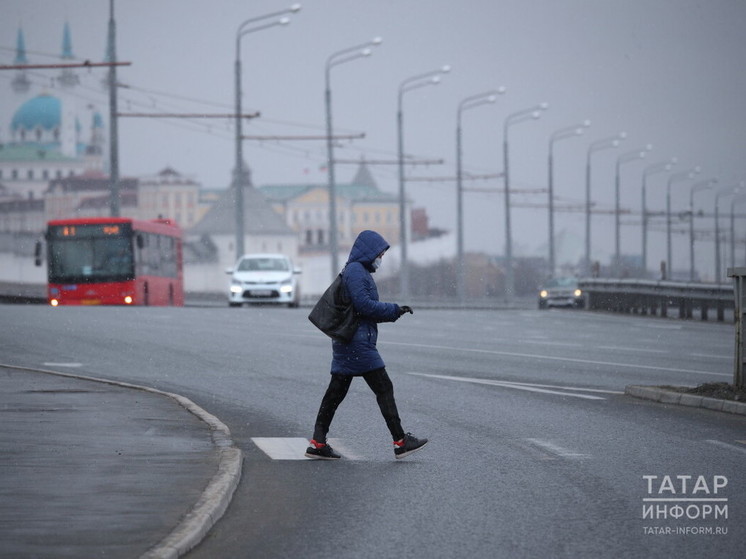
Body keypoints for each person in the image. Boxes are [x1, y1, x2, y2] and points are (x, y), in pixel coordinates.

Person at [305, 230, 428, 460]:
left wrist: (392, 312)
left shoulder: (356, 271)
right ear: (369, 252)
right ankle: (401, 441)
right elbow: (364, 306)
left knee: (335, 393)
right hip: (357, 344)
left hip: (350, 342)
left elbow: (363, 307)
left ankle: (318, 442)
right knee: (383, 389)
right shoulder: (356, 272)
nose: (380, 258)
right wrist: (393, 310)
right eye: (379, 253)